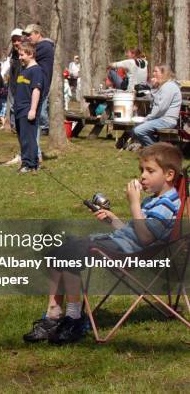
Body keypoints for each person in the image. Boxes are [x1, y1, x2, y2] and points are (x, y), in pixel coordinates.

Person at [23, 143, 182, 344]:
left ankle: (74, 318)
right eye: (141, 170)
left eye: (150, 171)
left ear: (169, 175)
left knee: (69, 253)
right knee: (59, 251)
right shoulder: (155, 200)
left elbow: (145, 238)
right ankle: (53, 315)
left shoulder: (166, 204)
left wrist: (134, 204)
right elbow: (134, 232)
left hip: (132, 254)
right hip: (125, 245)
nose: (142, 176)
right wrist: (112, 219)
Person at [132, 65, 182, 147]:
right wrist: (154, 86)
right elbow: (155, 99)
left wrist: (148, 118)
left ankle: (157, 150)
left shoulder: (169, 86)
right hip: (160, 118)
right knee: (135, 128)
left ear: (163, 73)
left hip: (166, 120)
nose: (153, 74)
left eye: (156, 71)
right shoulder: (164, 86)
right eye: (153, 71)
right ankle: (155, 149)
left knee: (138, 130)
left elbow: (161, 108)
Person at [14, 42, 44, 174]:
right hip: (19, 109)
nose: (20, 58)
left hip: (27, 109)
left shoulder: (36, 70)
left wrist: (33, 109)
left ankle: (31, 164)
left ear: (30, 54)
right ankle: (26, 162)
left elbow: (36, 90)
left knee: (28, 138)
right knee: (22, 138)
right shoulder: (24, 70)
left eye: (22, 55)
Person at [24, 23, 54, 141]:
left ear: (38, 34)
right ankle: (35, 152)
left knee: (34, 120)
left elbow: (27, 56)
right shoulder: (40, 46)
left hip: (39, 86)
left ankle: (34, 153)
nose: (28, 37)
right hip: (35, 85)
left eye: (30, 35)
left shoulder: (44, 46)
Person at [1, 28, 24, 140]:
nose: (16, 43)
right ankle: (14, 125)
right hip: (13, 85)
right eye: (14, 40)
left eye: (18, 40)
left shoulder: (27, 54)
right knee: (13, 106)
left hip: (23, 86)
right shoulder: (13, 54)